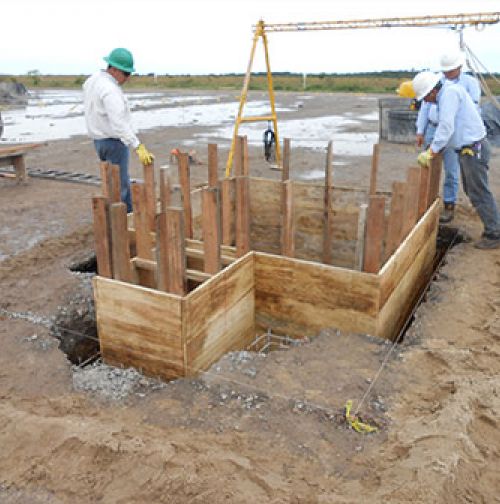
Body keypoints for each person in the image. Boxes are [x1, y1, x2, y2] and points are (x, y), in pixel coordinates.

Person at [413, 71, 500, 249]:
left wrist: (431, 151)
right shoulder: (447, 92)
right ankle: (493, 228)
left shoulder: (449, 94)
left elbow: (446, 126)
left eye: (425, 98)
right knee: (473, 190)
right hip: (469, 148)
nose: (426, 102)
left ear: (432, 91)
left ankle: (494, 233)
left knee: (479, 192)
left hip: (473, 149)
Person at [83, 48, 154, 212]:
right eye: (125, 74)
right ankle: (124, 223)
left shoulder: (92, 81)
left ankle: (116, 216)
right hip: (113, 142)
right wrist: (137, 145)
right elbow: (119, 123)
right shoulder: (110, 89)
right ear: (113, 69)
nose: (127, 78)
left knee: (111, 182)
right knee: (120, 185)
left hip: (99, 141)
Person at [415, 50, 481, 224]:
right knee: (429, 167)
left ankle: (449, 205)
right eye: (445, 70)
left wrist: (433, 150)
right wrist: (420, 130)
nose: (447, 73)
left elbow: (450, 124)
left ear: (460, 66)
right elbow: (425, 109)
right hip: (435, 130)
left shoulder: (464, 85)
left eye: (450, 70)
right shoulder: (437, 84)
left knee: (452, 171)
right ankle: (426, 203)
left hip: (453, 134)